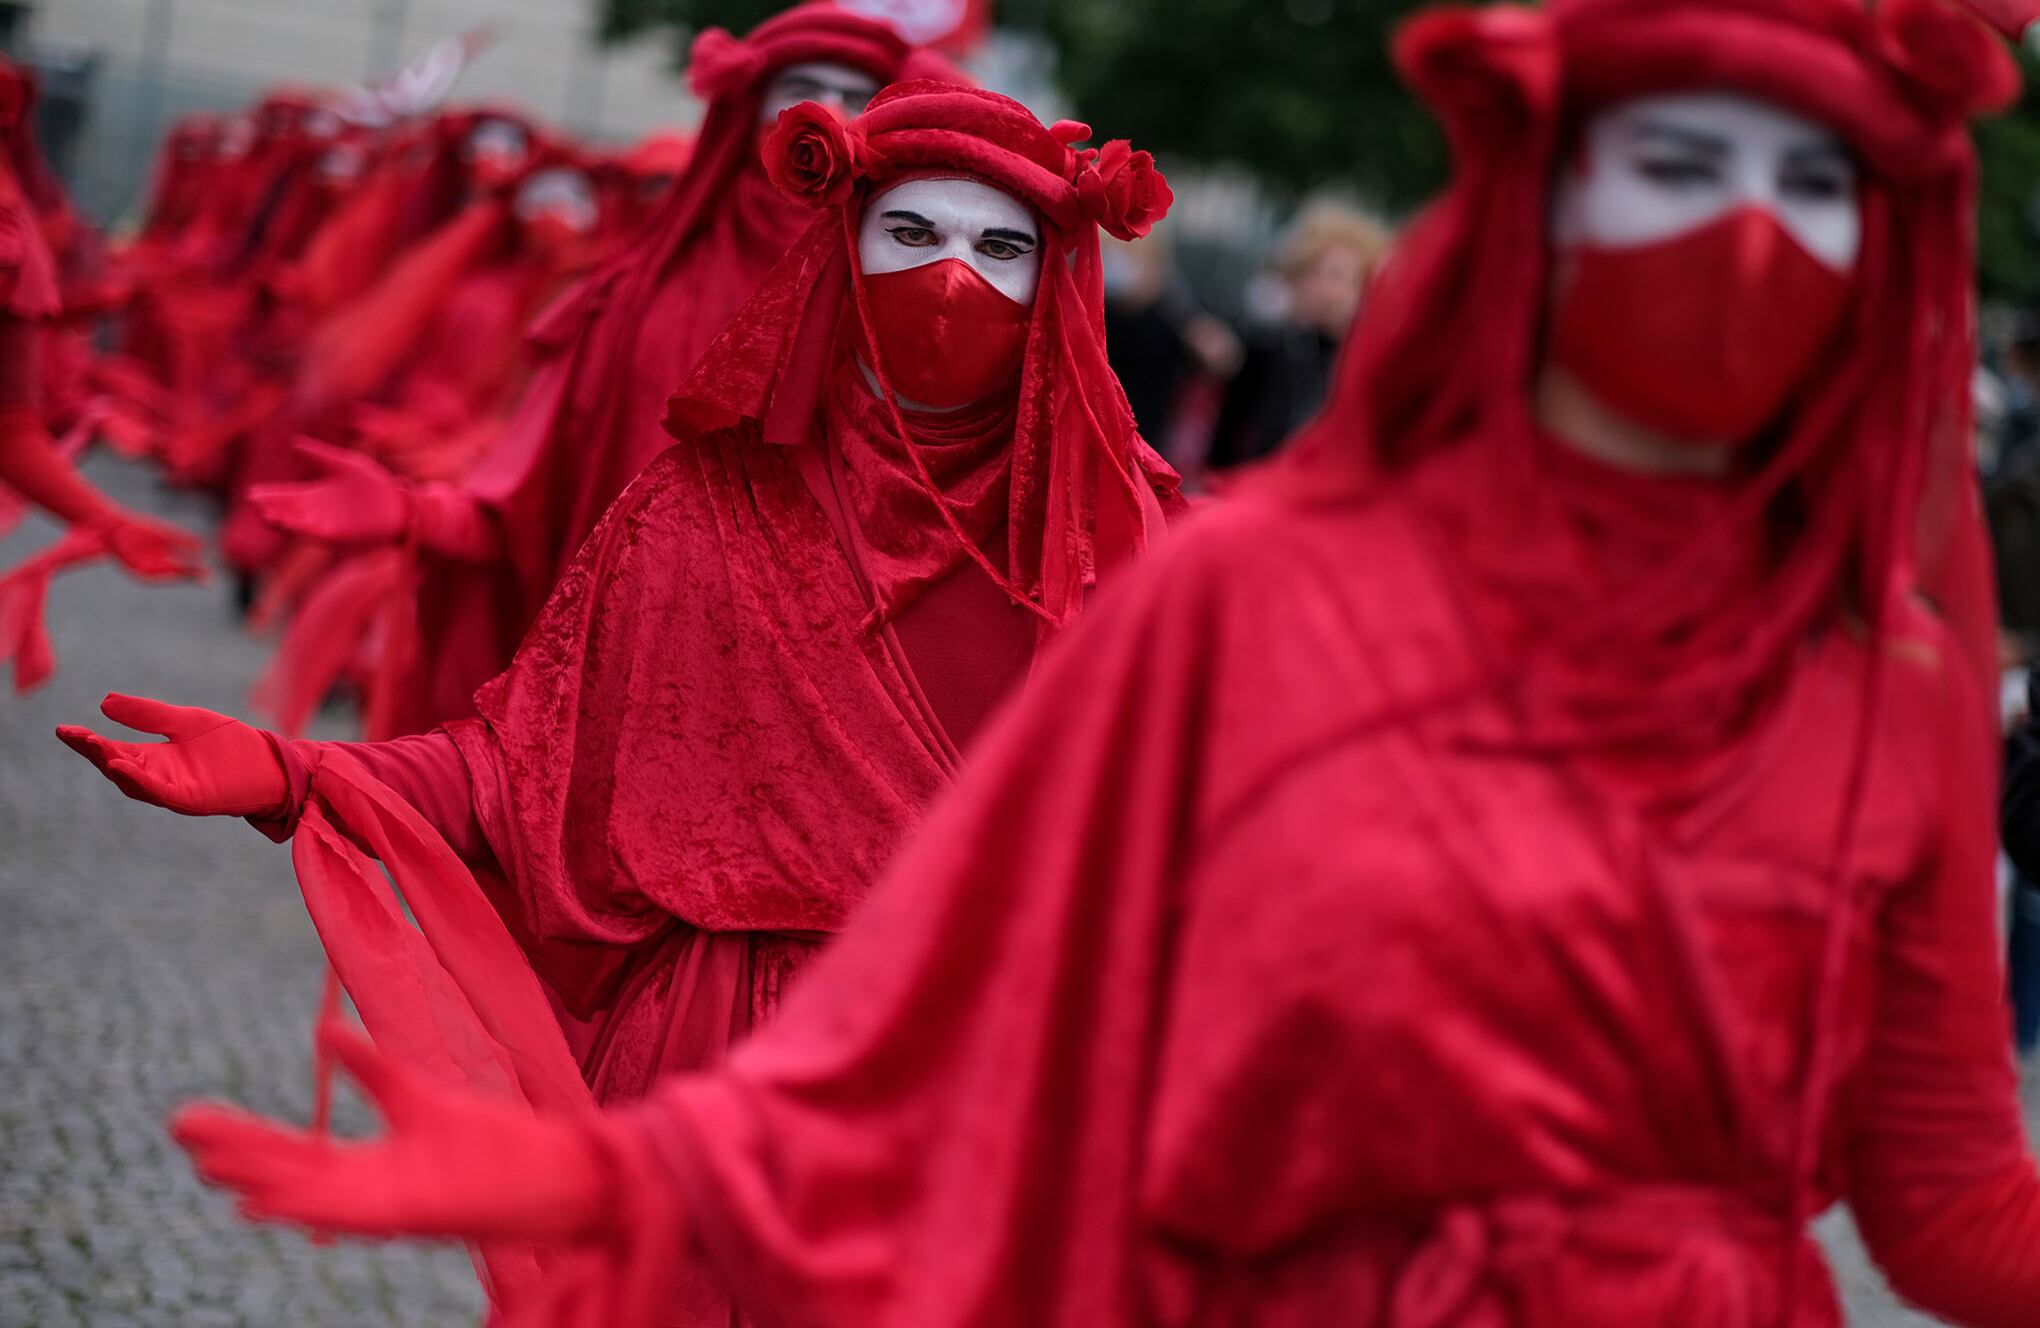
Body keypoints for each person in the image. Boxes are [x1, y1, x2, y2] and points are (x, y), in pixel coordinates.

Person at [144, 3, 2040, 1326]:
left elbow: (1950, 1193)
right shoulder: (1257, 594)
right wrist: (313, 777)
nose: (1744, 234)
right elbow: (586, 780)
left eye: (1819, 188)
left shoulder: (1890, 691)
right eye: (1679, 160)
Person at [62, 81, 1178, 1323]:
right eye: (911, 232)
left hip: (968, 1077)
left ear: (1056, 279)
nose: (952, 276)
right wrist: (297, 771)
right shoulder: (700, 503)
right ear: (843, 245)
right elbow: (517, 766)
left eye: (1001, 246)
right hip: (699, 1060)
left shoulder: (1122, 549)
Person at [243, 3, 952, 736]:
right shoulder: (630, 301)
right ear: (745, 108)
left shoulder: (918, 312)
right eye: (802, 86)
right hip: (620, 666)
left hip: (810, 698)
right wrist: (417, 513)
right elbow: (531, 492)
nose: (828, 111)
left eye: (854, 93)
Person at [1207, 198, 1390, 471]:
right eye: (1315, 274)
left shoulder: (1368, 358)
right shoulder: (1269, 347)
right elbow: (1229, 435)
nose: (1328, 290)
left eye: (1341, 277)